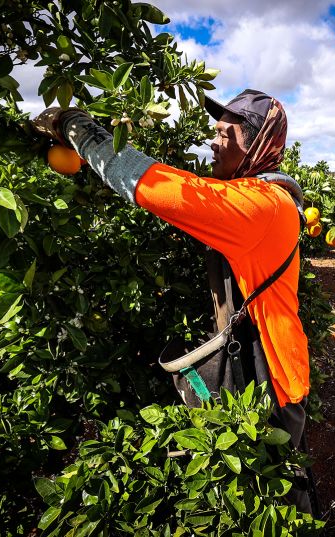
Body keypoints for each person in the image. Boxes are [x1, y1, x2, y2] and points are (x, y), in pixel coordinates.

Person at [33, 89, 314, 513]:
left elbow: (154, 186)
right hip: (267, 361)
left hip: (270, 375)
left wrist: (78, 129)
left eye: (226, 135)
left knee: (273, 496)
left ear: (256, 142)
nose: (213, 143)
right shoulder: (264, 197)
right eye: (214, 133)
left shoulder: (259, 206)